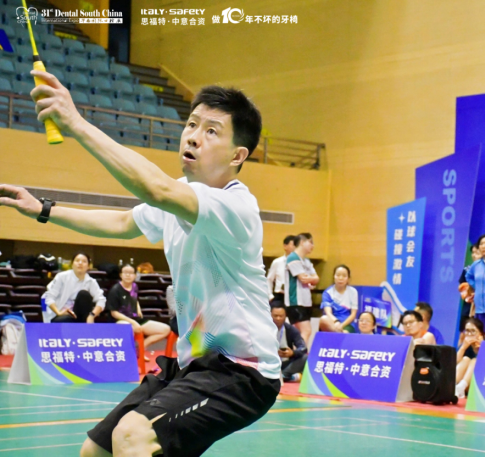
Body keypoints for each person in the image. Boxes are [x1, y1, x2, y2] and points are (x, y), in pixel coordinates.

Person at [0, 76, 281, 456]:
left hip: (242, 370)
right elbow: (121, 223)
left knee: (134, 435)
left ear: (237, 156)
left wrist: (76, 124)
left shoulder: (234, 206)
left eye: (211, 131)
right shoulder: (178, 200)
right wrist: (44, 209)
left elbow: (155, 188)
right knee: (95, 450)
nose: (193, 137)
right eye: (192, 124)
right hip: (193, 365)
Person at [106, 263, 171, 355]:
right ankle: (126, 355)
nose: (128, 275)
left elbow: (134, 299)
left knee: (165, 329)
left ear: (135, 275)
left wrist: (138, 309)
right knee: (129, 329)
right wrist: (133, 322)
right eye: (125, 272)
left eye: (131, 273)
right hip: (120, 320)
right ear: (120, 275)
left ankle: (139, 350)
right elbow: (114, 313)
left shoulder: (134, 286)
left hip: (135, 319)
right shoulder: (115, 290)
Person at [41, 252, 106, 323]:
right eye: (77, 260)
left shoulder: (91, 281)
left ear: (88, 266)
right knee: (65, 320)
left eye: (84, 261)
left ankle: (85, 327)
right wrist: (58, 313)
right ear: (72, 264)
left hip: (80, 317)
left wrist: (92, 315)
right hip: (61, 315)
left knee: (84, 294)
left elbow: (101, 300)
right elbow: (49, 297)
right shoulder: (61, 277)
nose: (80, 263)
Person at [285, 232, 319, 345]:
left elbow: (316, 279)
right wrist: (311, 279)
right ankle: (300, 354)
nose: (313, 246)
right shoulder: (293, 257)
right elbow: (303, 279)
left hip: (306, 302)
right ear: (302, 242)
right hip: (295, 302)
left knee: (300, 333)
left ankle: (297, 354)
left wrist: (311, 279)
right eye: (311, 242)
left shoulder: (307, 261)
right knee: (306, 331)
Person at [271, 303, 307, 382]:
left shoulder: (291, 330)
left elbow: (303, 347)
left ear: (285, 316)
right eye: (275, 316)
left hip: (285, 363)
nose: (278, 318)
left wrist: (292, 353)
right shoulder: (264, 329)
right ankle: (286, 377)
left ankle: (284, 375)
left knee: (304, 358)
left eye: (281, 316)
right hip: (268, 362)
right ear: (270, 315)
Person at [319, 264, 358, 333]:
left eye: (344, 276)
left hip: (347, 323)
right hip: (332, 322)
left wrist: (341, 326)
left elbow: (353, 315)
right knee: (323, 319)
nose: (340, 278)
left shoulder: (353, 292)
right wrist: (336, 322)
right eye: (338, 275)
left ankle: (339, 333)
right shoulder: (328, 292)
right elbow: (328, 313)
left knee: (345, 333)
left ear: (348, 278)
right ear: (334, 277)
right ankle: (338, 333)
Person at [455, 317, 485, 399]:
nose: (469, 334)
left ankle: (462, 386)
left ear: (481, 333)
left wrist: (481, 348)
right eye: (467, 331)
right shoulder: (464, 345)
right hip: (459, 383)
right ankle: (455, 387)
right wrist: (463, 347)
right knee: (466, 359)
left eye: (473, 331)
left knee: (475, 360)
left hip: (478, 383)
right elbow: (453, 363)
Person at [266, 235, 296, 303]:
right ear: (285, 246)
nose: (295, 247)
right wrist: (270, 295)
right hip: (280, 296)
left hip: (294, 297)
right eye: (293, 244)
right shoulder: (277, 262)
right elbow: (269, 280)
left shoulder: (301, 263)